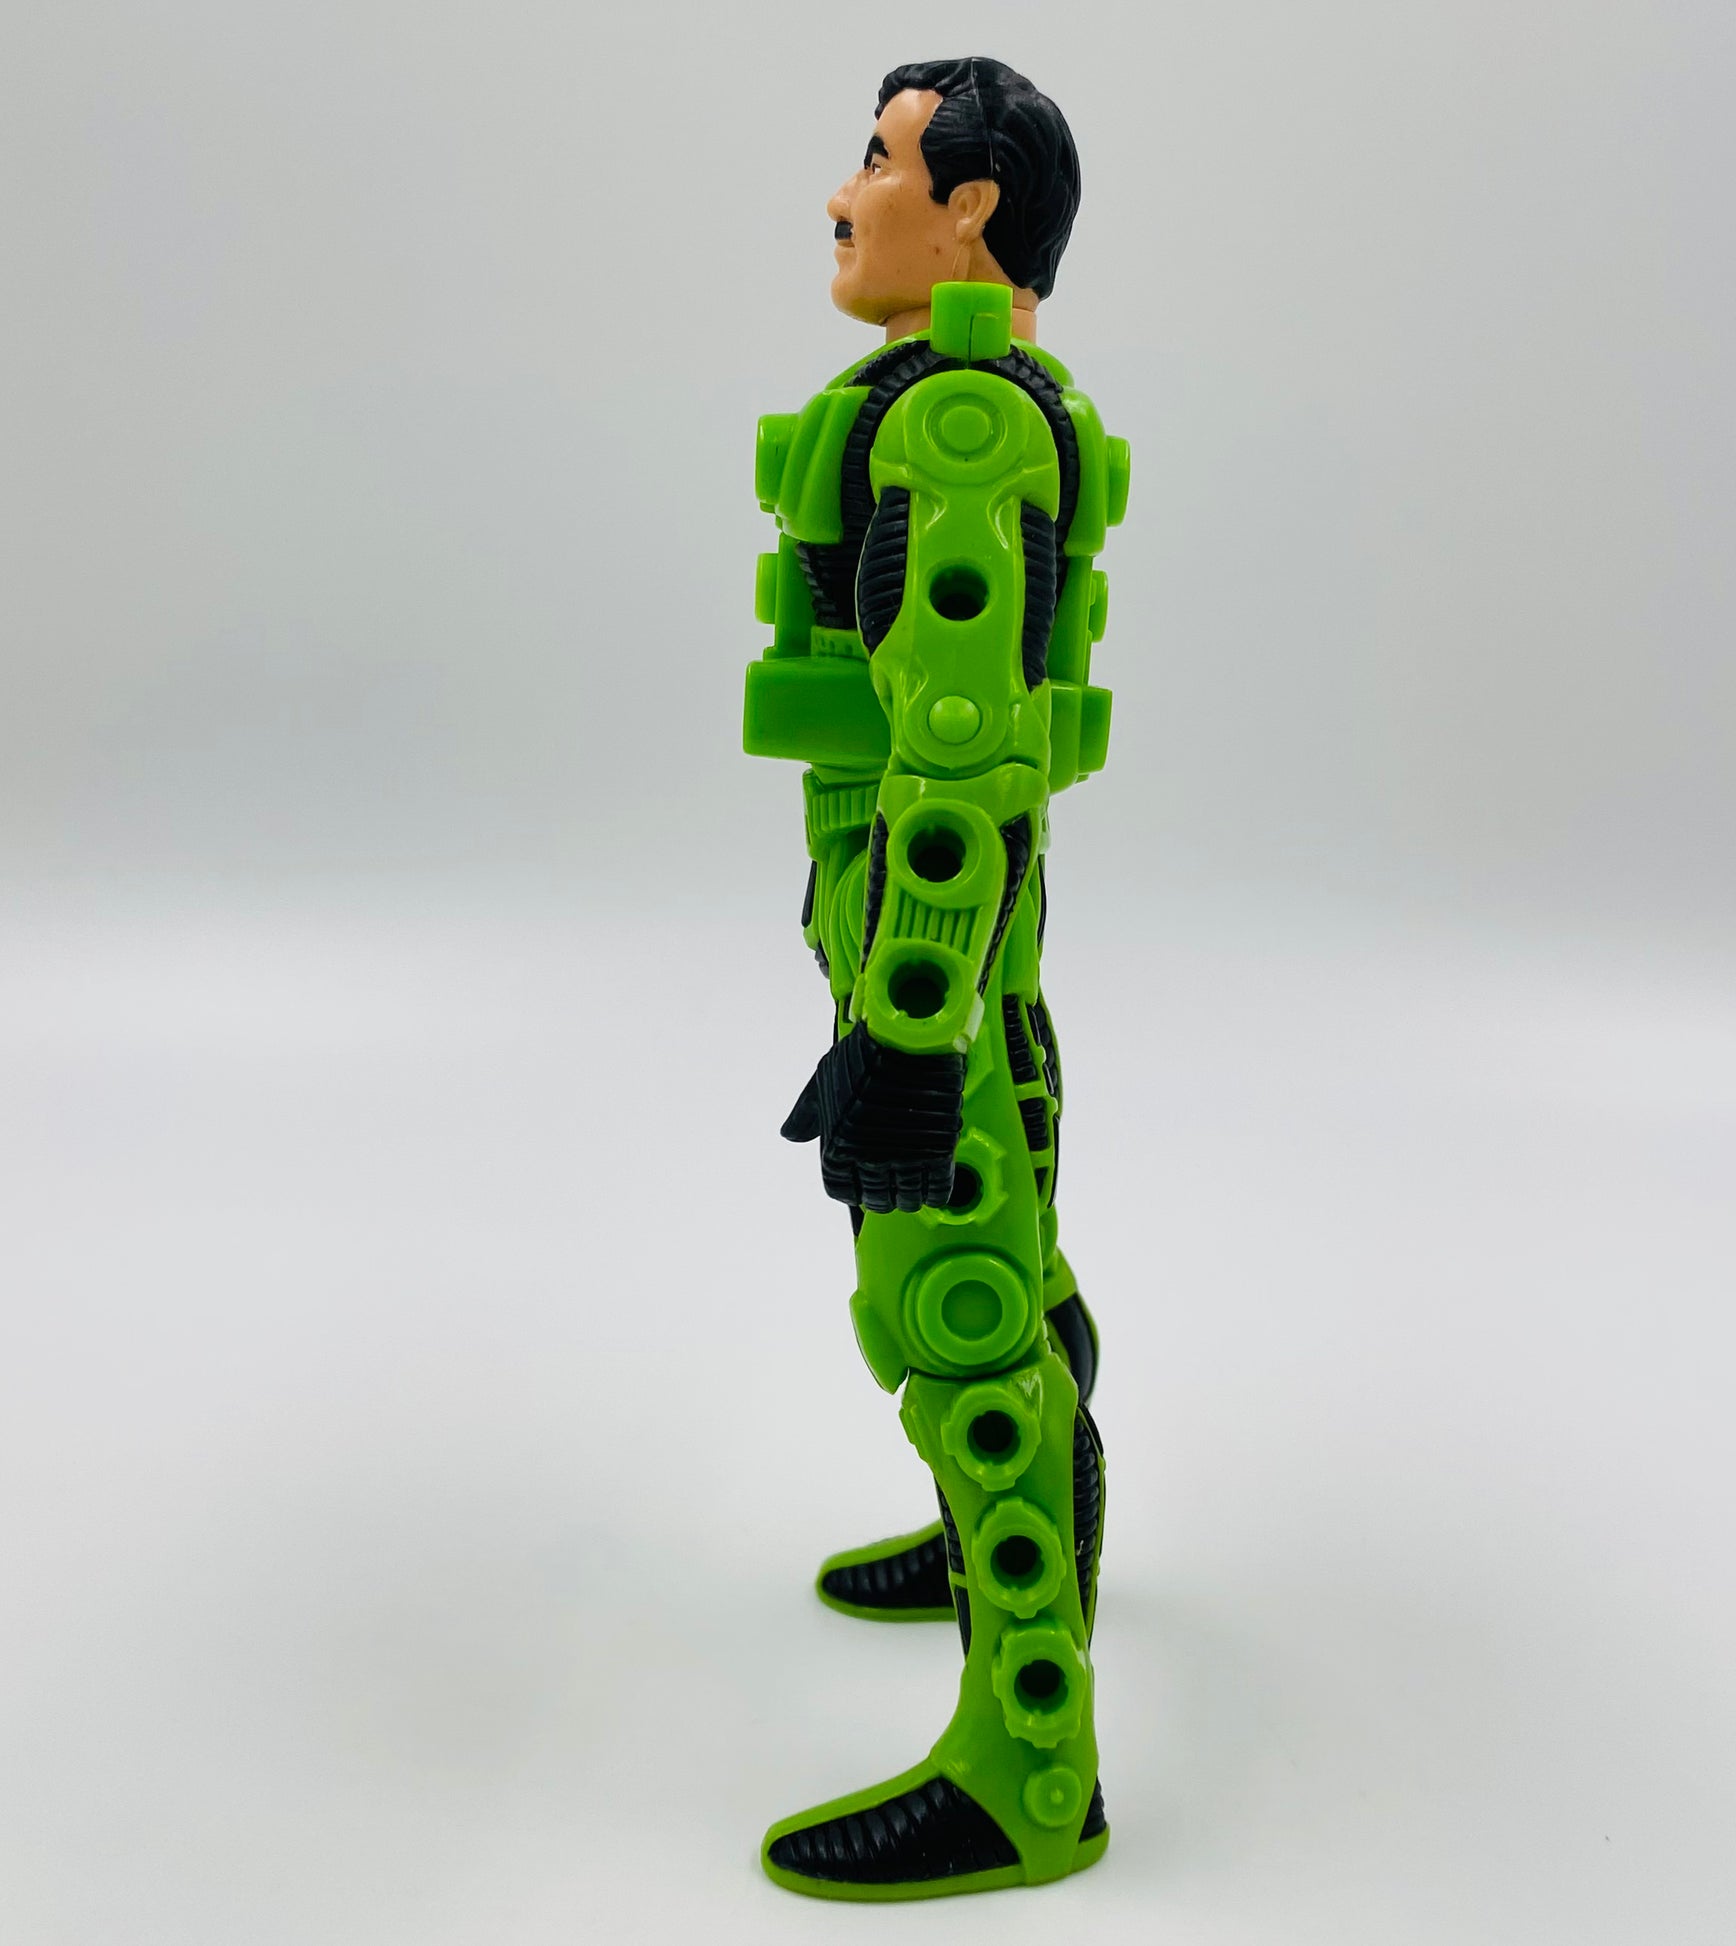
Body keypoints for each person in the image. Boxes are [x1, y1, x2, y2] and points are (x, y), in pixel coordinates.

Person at [741, 56, 1129, 1898]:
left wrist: (905, 1030)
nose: (845, 194)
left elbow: (957, 760)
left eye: (880, 160)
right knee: (1020, 1259)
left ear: (969, 207)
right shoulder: (980, 396)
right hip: (964, 931)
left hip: (930, 924)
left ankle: (1026, 1767)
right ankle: (1022, 1531)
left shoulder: (955, 421)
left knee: (955, 1308)